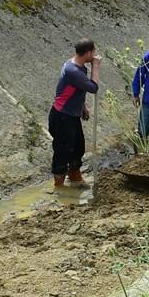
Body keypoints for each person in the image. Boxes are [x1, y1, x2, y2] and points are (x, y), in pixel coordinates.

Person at [49, 38, 100, 187]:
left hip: (72, 114)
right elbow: (93, 87)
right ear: (89, 52)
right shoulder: (73, 70)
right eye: (93, 52)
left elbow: (77, 90)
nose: (95, 55)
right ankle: (59, 185)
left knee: (78, 146)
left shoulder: (79, 66)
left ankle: (74, 176)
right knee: (63, 150)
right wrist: (96, 67)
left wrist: (83, 106)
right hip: (62, 116)